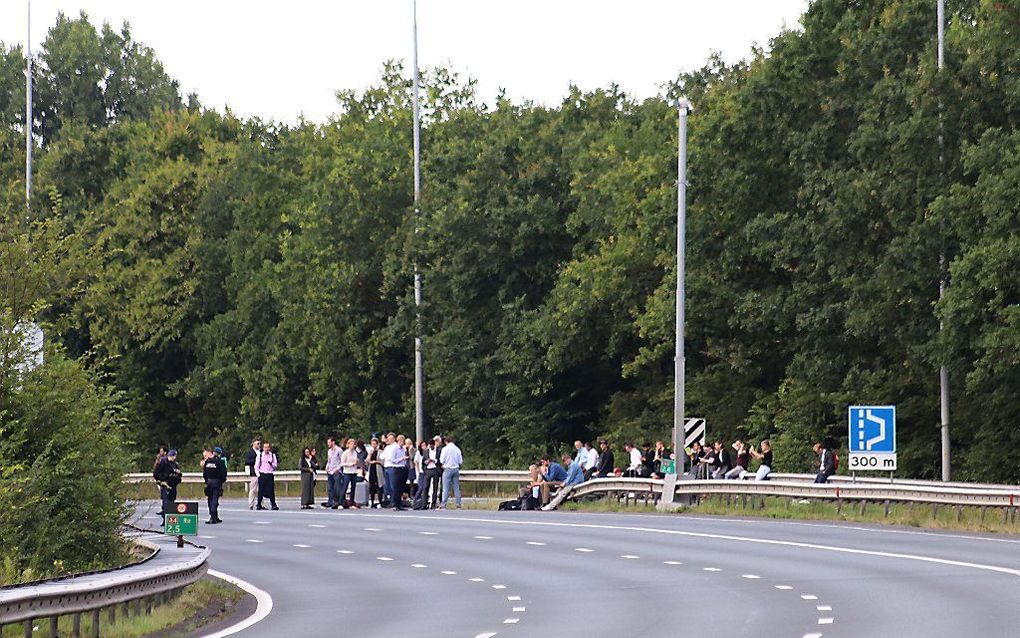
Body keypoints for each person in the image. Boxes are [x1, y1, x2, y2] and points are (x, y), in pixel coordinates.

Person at [153, 449, 182, 526]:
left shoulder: (175, 464)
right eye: (174, 456)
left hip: (173, 486)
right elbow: (156, 473)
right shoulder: (163, 463)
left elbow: (179, 475)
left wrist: (177, 478)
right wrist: (161, 481)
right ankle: (165, 520)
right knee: (166, 503)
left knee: (172, 503)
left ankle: (171, 521)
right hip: (166, 485)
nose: (174, 458)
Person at [381, 433, 408, 510]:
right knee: (394, 487)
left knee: (401, 487)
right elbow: (392, 460)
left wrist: (404, 460)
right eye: (401, 441)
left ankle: (399, 504)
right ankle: (395, 504)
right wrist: (401, 459)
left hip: (402, 468)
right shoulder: (394, 448)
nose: (402, 442)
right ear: (398, 440)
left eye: (403, 441)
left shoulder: (403, 449)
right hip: (395, 468)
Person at [203, 447, 228, 523]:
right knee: (214, 499)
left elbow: (204, 473)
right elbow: (223, 474)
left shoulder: (208, 461)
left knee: (210, 499)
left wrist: (206, 481)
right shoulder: (220, 462)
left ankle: (214, 516)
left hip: (209, 482)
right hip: (216, 482)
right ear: (219, 454)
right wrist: (221, 481)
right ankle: (213, 516)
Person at [439, 436, 463, 509]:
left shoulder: (445, 449)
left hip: (447, 469)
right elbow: (460, 461)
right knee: (456, 488)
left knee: (445, 488)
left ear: (446, 442)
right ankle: (458, 504)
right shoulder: (457, 449)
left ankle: (443, 505)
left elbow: (441, 460)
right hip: (456, 469)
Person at [339, 437, 362, 508]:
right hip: (347, 472)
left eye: (354, 444)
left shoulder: (355, 453)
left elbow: (357, 462)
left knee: (353, 487)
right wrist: (350, 464)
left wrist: (357, 463)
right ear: (348, 445)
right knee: (345, 487)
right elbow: (342, 463)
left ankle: (351, 503)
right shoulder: (345, 453)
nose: (353, 445)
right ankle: (341, 503)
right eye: (351, 444)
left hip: (354, 472)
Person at [257, 441, 279, 510]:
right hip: (262, 474)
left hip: (270, 474)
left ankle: (273, 504)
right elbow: (256, 466)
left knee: (271, 490)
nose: (266, 449)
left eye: (268, 447)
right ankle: (259, 504)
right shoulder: (260, 455)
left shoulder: (272, 455)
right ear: (263, 448)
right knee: (261, 490)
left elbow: (275, 465)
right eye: (265, 447)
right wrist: (258, 475)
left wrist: (271, 463)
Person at [323, 437, 343, 508]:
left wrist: (338, 469)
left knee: (337, 487)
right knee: (330, 487)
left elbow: (342, 461)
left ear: (333, 442)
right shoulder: (329, 451)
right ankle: (330, 501)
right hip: (330, 471)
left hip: (336, 471)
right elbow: (329, 460)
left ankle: (337, 501)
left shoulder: (339, 450)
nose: (328, 444)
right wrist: (327, 466)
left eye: (329, 442)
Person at [423, 437, 443, 508]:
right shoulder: (426, 451)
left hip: (435, 469)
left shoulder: (438, 451)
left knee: (435, 487)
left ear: (434, 445)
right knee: (426, 487)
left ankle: (433, 503)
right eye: (430, 445)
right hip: (428, 469)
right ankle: (424, 503)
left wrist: (435, 461)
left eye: (432, 445)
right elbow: (423, 461)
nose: (431, 447)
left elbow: (441, 460)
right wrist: (426, 462)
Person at [366, 437, 385, 508]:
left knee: (379, 485)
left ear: (377, 444)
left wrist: (376, 462)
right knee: (372, 486)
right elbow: (367, 461)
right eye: (372, 444)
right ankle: (372, 501)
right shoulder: (370, 452)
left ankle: (380, 501)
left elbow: (383, 462)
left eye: (375, 444)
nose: (373, 445)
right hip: (372, 470)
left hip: (378, 470)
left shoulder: (380, 452)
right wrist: (370, 454)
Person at [244, 438, 261, 510]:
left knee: (260, 490)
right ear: (253, 444)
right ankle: (251, 503)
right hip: (254, 473)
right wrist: (255, 460)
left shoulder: (260, 452)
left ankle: (260, 504)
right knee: (253, 489)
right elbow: (247, 461)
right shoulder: (251, 452)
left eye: (259, 444)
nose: (259, 445)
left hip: (261, 472)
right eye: (257, 444)